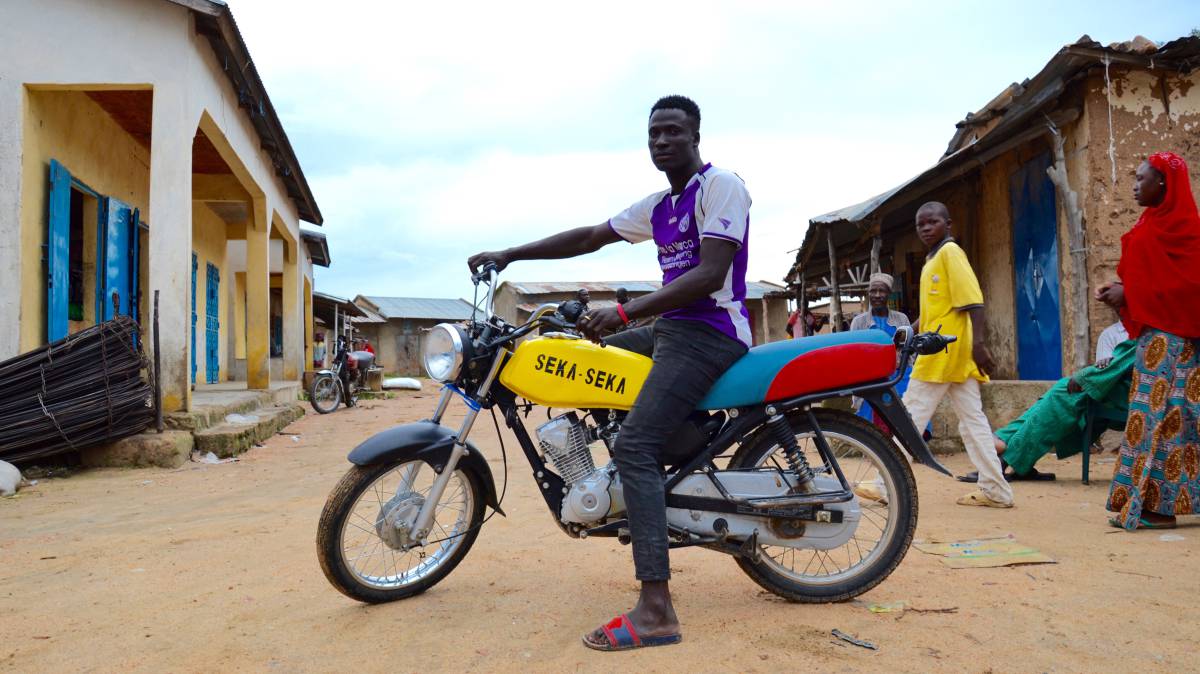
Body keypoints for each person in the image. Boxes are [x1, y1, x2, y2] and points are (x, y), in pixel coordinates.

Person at [468, 95, 751, 650]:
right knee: (589, 368)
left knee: (637, 448)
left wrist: (625, 310)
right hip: (672, 331)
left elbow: (711, 272)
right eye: (654, 135)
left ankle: (656, 609)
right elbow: (588, 238)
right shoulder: (659, 205)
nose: (662, 141)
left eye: (673, 132)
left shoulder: (721, 188)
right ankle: (645, 475)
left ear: (695, 137)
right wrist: (509, 253)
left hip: (711, 333)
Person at [1099, 151, 1200, 531]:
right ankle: (1143, 503)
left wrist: (1131, 294)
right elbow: (1149, 278)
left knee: (1171, 423)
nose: (1135, 186)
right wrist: (1122, 289)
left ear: (1165, 184)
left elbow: (1188, 288)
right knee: (1147, 420)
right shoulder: (1149, 224)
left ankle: (1159, 507)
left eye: (1143, 179)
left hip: (1178, 346)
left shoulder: (1189, 232)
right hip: (1153, 342)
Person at [900, 202, 1014, 508]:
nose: (925, 228)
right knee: (973, 422)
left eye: (932, 222)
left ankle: (885, 485)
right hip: (948, 352)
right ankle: (996, 491)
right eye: (920, 224)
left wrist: (979, 345)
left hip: (946, 351)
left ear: (948, 224)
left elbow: (973, 302)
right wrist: (906, 334)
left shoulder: (950, 253)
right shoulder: (932, 260)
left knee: (909, 414)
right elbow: (932, 313)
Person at [958, 321, 1135, 482]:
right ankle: (1014, 456)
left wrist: (1084, 377)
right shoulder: (1121, 332)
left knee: (1064, 395)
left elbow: (1117, 365)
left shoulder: (1148, 331)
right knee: (1058, 397)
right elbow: (1108, 366)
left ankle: (1005, 454)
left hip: (1129, 397)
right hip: (1117, 392)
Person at [849, 273, 912, 435]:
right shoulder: (859, 322)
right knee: (872, 425)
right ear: (868, 294)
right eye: (873, 291)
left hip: (898, 375)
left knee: (906, 411)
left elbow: (908, 352)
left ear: (888, 294)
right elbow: (854, 354)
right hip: (870, 378)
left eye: (882, 291)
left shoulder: (901, 319)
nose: (877, 295)